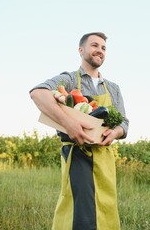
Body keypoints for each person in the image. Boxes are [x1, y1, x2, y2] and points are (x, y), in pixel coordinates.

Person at [29, 32, 129, 230]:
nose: (99, 50)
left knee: (106, 207)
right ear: (81, 50)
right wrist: (69, 124)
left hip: (104, 157)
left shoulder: (113, 88)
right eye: (94, 45)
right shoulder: (69, 80)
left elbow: (124, 123)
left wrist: (115, 133)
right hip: (77, 155)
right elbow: (38, 93)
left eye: (103, 48)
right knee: (78, 210)